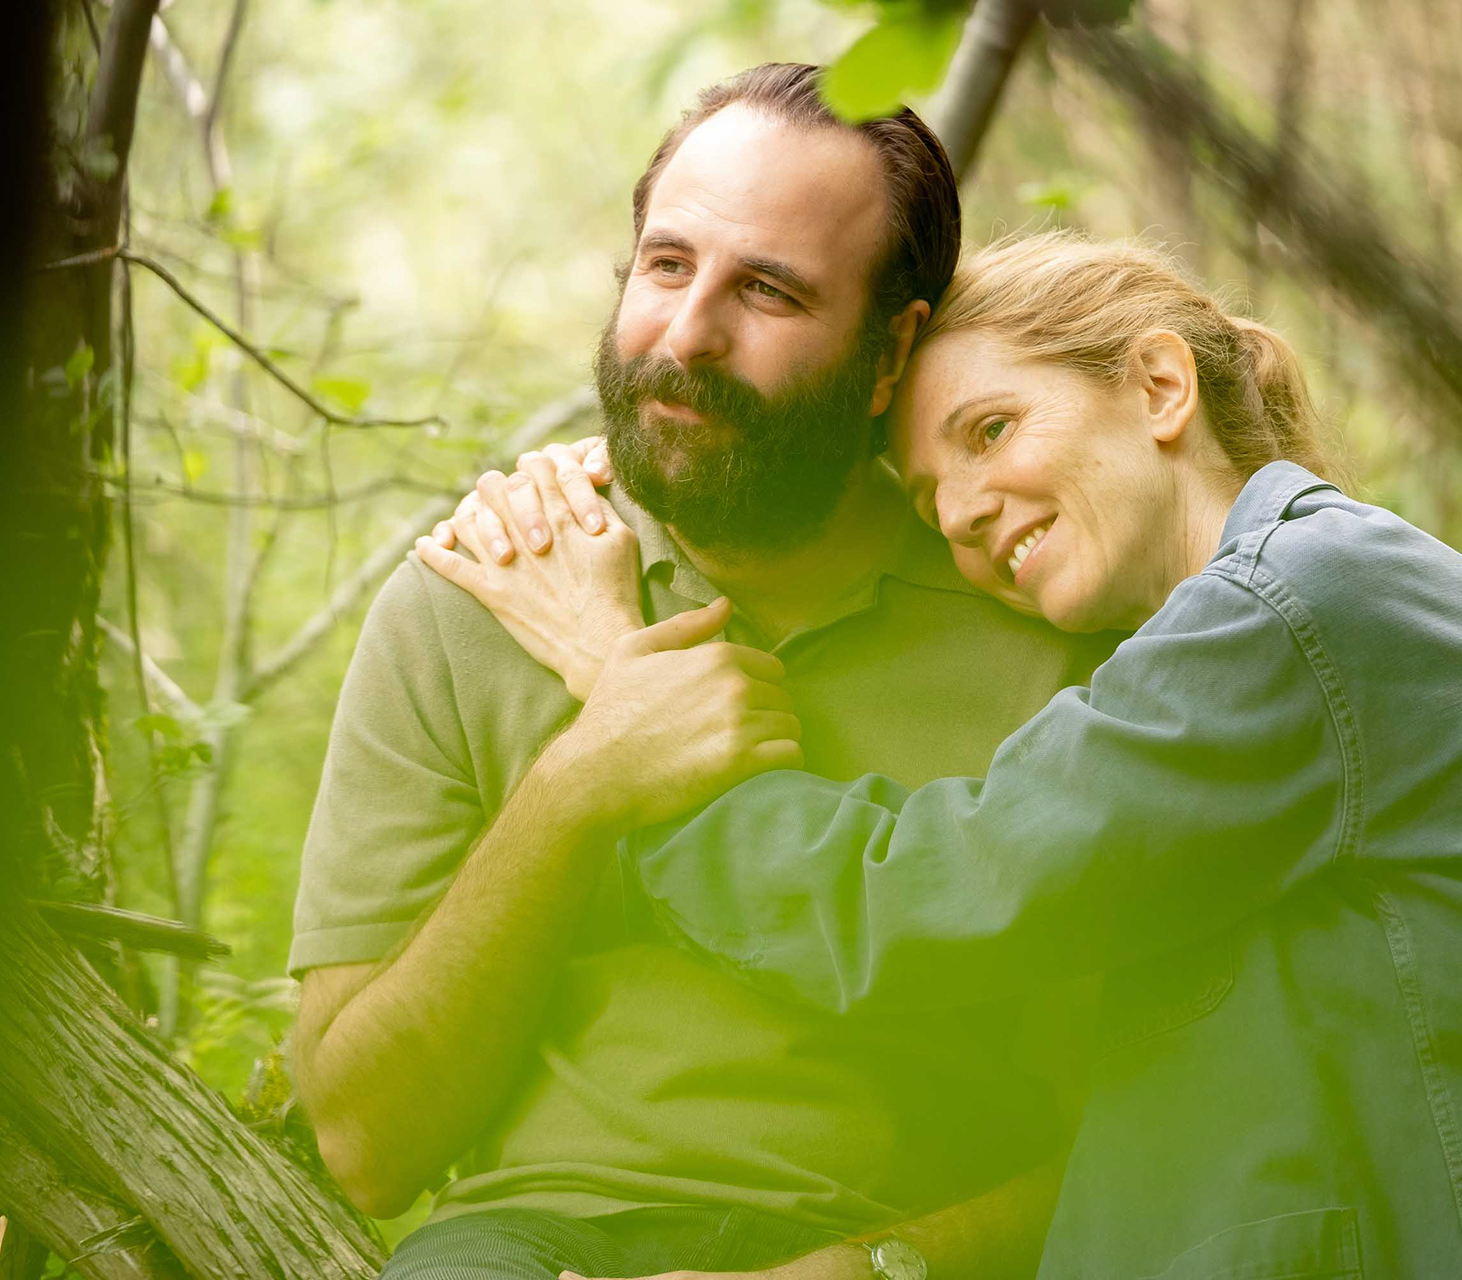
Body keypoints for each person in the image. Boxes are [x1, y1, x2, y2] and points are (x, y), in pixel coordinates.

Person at [437, 233, 1462, 1279]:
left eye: (990, 432)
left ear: (1157, 385)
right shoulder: (1289, 622)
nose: (962, 509)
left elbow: (921, 899)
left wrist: (624, 692)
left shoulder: (1297, 610)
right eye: (923, 497)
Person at [291, 66, 1113, 1280]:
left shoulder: (1039, 618)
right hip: (528, 1245)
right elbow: (366, 1143)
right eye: (667, 266)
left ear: (893, 353)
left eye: (769, 291)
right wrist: (578, 783)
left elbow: (1150, 1118)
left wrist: (871, 1267)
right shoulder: (478, 589)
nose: (686, 338)